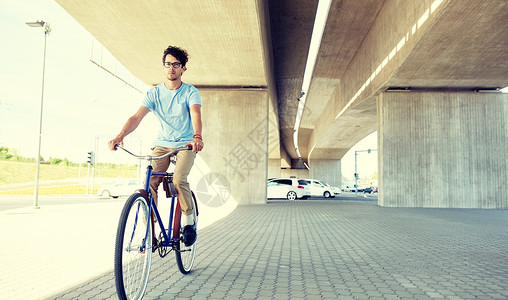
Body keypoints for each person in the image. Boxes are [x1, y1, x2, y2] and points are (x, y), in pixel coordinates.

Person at [108, 45, 203, 246]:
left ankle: (188, 220)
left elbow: (195, 113)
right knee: (150, 181)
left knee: (178, 179)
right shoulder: (154, 94)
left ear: (183, 68)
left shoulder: (190, 92)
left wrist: (197, 136)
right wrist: (120, 135)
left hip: (185, 143)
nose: (171, 69)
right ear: (164, 67)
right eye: (168, 64)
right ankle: (149, 227)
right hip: (162, 144)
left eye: (176, 65)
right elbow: (136, 117)